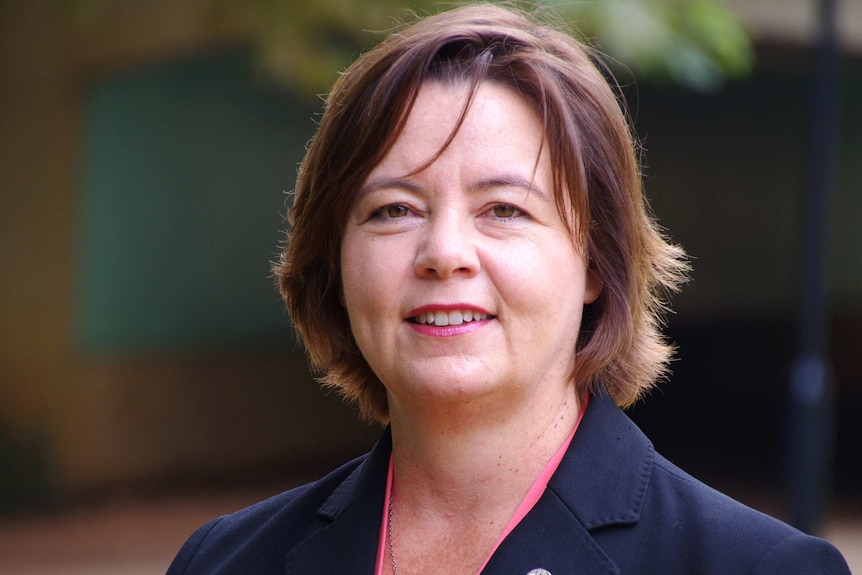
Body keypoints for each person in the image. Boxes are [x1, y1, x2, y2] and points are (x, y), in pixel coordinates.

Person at [166, 4, 851, 574]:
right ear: (333, 264)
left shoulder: (759, 568)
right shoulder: (225, 561)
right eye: (393, 210)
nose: (443, 254)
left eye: (503, 210)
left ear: (595, 264)